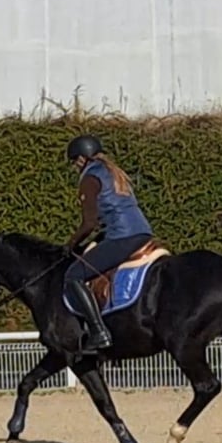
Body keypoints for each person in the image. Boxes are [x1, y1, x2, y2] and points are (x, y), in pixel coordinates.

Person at [62, 134, 154, 352]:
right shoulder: (112, 173)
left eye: (75, 161)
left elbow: (89, 223)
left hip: (122, 236)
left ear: (82, 158)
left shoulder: (90, 178)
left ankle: (98, 332)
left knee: (73, 276)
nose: (75, 166)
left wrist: (70, 244)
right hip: (142, 233)